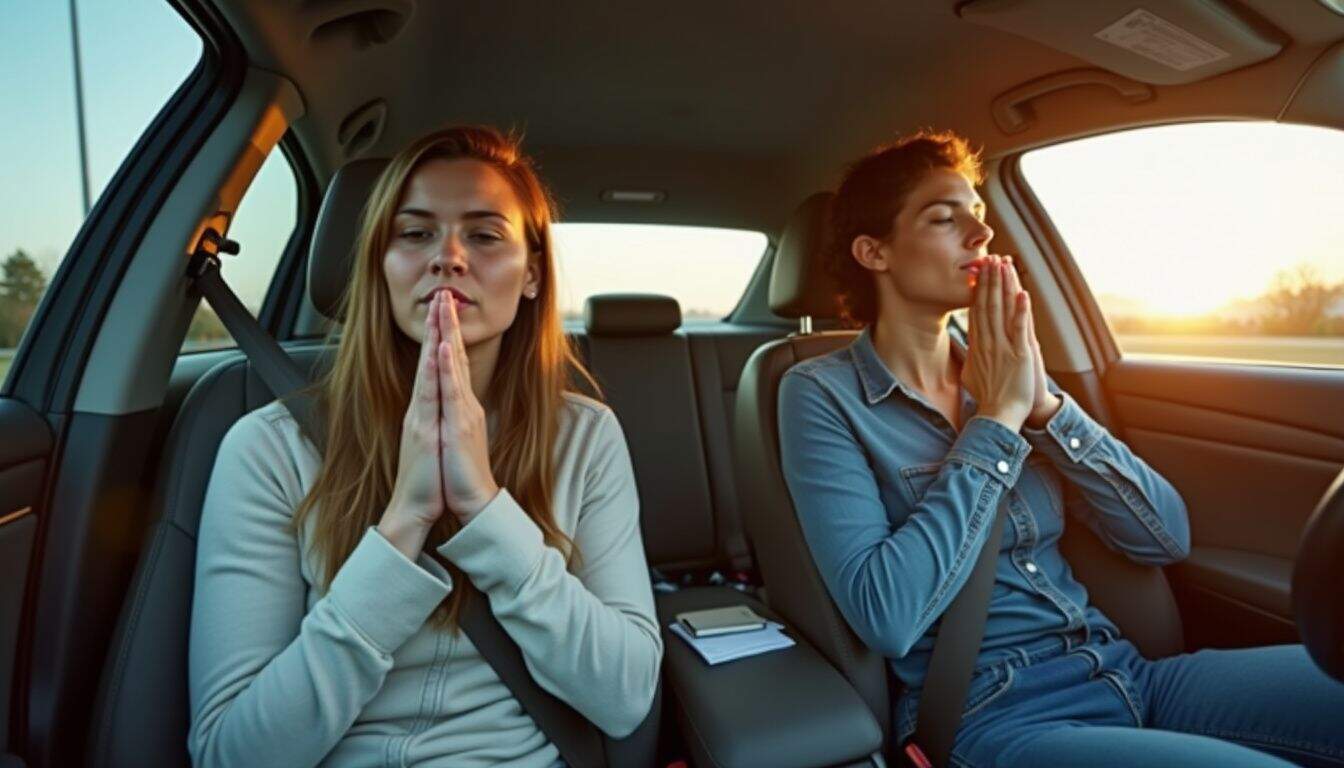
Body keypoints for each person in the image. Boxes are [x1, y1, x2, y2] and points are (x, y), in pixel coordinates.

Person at [777, 130, 1344, 767]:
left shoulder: (1008, 373)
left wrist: (1044, 407)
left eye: (979, 214)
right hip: (993, 713)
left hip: (1122, 669)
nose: (982, 233)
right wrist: (996, 422)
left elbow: (1164, 537)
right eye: (944, 218)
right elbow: (886, 614)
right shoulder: (820, 394)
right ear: (874, 252)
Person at [188, 125, 662, 767]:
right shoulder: (269, 449)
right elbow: (231, 755)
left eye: (485, 235)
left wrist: (485, 511)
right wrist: (403, 524)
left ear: (531, 274)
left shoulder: (585, 437)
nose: (448, 257)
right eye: (414, 234)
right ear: (380, 266)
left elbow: (626, 697)